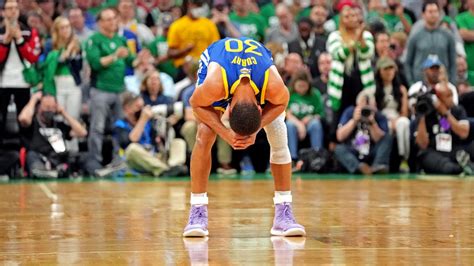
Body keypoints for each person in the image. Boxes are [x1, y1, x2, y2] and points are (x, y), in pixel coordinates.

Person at [183, 36, 305, 237]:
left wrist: (257, 130)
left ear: (260, 107)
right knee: (204, 134)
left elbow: (282, 103)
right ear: (228, 111)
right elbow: (195, 104)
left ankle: (284, 215)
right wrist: (225, 133)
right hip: (219, 60)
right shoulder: (214, 85)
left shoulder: (273, 85)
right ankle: (197, 211)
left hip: (254, 66)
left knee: (278, 131)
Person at [18, 92, 87, 178]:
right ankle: (42, 173)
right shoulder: (33, 124)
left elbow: (82, 132)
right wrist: (33, 100)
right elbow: (23, 118)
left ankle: (95, 171)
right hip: (39, 156)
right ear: (39, 107)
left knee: (83, 156)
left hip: (58, 157)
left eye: (52, 107)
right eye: (46, 107)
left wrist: (64, 113)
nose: (49, 110)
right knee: (31, 155)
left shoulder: (59, 125)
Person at [334, 90, 393, 175]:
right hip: (354, 151)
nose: (365, 110)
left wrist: (372, 123)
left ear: (374, 106)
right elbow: (339, 136)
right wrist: (354, 121)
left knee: (388, 137)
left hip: (372, 152)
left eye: (368, 107)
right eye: (363, 107)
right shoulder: (350, 112)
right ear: (357, 105)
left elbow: (380, 140)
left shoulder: (379, 116)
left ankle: (378, 166)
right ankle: (358, 167)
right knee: (338, 149)